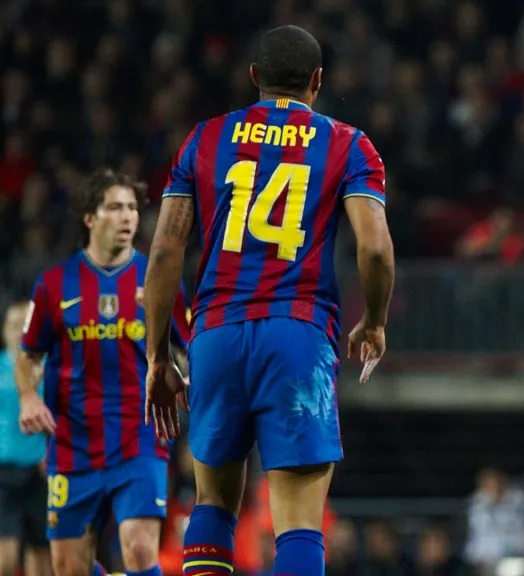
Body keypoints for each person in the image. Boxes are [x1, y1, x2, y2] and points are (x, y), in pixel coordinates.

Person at [141, 24, 395, 576]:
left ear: (253, 77)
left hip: (214, 334)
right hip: (297, 335)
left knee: (212, 504)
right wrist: (373, 321)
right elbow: (374, 251)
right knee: (299, 520)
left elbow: (163, 256)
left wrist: (159, 356)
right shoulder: (348, 144)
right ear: (319, 81)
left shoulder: (205, 139)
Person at [16, 168, 191, 576]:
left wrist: (178, 371)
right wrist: (27, 395)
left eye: (132, 207)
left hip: (139, 436)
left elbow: (188, 351)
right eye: (115, 207)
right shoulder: (54, 285)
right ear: (89, 217)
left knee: (139, 550)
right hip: (73, 443)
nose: (128, 216)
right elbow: (28, 355)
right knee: (69, 566)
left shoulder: (158, 281)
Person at [0, 301, 49, 576]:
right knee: (5, 557)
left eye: (25, 325)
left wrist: (52, 450)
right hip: (4, 472)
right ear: (5, 330)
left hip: (38, 471)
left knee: (40, 553)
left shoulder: (45, 369)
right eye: (14, 325)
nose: (20, 332)